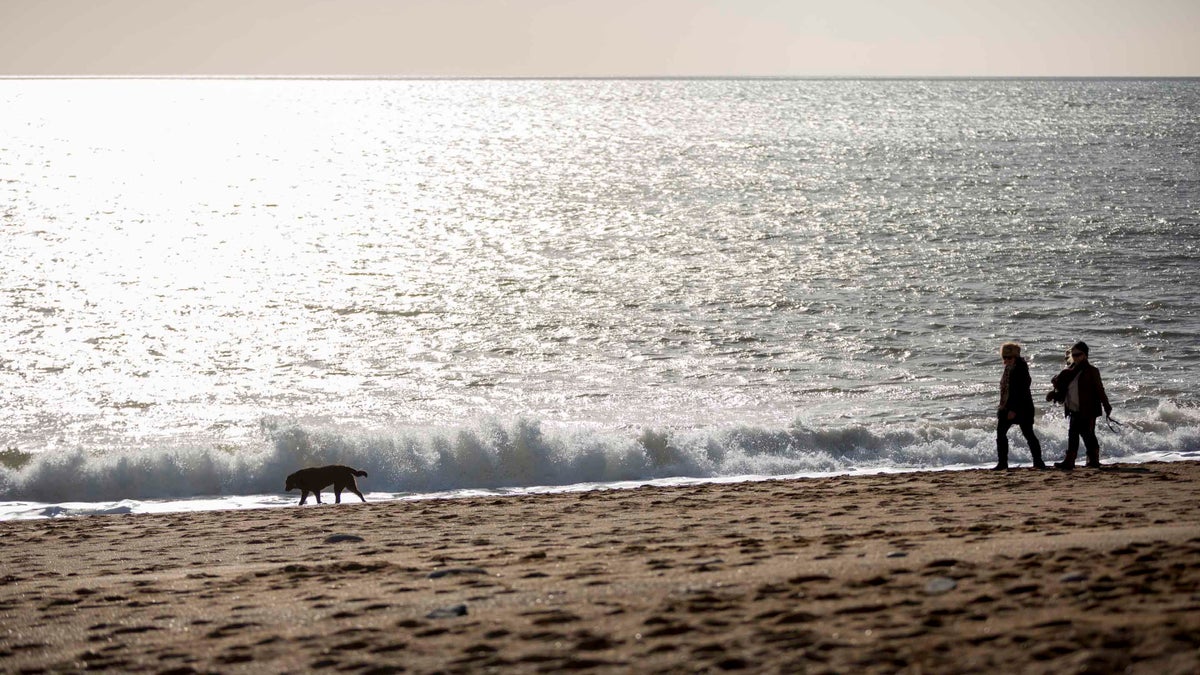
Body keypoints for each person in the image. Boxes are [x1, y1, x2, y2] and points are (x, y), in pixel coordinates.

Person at [1046, 341, 1112, 470]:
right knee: (1073, 434)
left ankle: (1093, 460)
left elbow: (1100, 389)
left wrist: (1106, 405)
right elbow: (1063, 390)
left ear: (1085, 355)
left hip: (1088, 409)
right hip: (1073, 408)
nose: (1075, 357)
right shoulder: (1068, 371)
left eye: (1078, 354)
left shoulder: (1092, 371)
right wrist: (1053, 394)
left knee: (1088, 434)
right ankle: (1070, 461)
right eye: (1073, 355)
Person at [995, 342, 1044, 470]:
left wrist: (1013, 409)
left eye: (1009, 357)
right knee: (1000, 434)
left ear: (1016, 357)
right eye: (1004, 357)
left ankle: (1038, 462)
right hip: (1006, 407)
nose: (1006, 360)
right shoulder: (1009, 368)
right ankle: (1002, 463)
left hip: (1022, 408)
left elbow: (1022, 391)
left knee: (1028, 434)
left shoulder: (1021, 369)